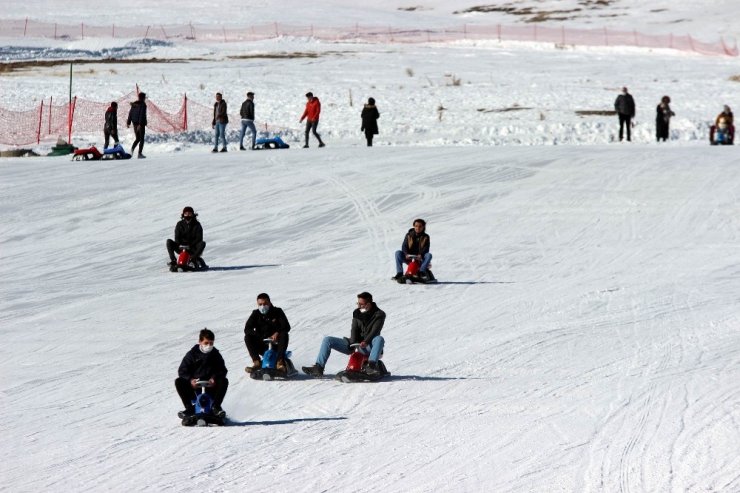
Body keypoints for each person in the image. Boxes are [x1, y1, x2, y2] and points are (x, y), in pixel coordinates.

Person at [303, 292, 385, 377]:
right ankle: (318, 367)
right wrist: (353, 343)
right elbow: (354, 329)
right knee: (328, 340)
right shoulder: (357, 312)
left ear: (368, 304)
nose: (359, 306)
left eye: (361, 304)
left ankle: (371, 366)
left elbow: (375, 331)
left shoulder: (379, 314)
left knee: (379, 338)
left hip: (370, 346)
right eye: (358, 303)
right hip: (356, 344)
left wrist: (366, 341)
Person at [175, 328, 228, 418]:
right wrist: (191, 380)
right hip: (195, 386)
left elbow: (223, 370)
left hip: (211, 386)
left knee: (224, 381)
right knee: (179, 381)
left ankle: (216, 407)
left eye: (211, 343)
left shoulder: (215, 354)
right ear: (200, 342)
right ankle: (189, 408)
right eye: (206, 343)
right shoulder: (192, 354)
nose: (209, 345)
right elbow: (182, 370)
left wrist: (214, 378)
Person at [243, 293, 292, 373]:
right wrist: (260, 336)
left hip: (276, 345)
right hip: (263, 345)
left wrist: (277, 333)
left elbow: (286, 326)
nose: (263, 306)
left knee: (284, 334)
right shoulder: (256, 314)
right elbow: (247, 329)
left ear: (269, 303)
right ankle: (257, 362)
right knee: (248, 337)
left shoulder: (278, 312)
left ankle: (280, 363)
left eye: (265, 304)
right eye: (260, 304)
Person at [166, 206, 207, 271]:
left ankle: (192, 260)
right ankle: (173, 261)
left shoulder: (197, 225)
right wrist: (180, 245)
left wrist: (190, 245)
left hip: (192, 248)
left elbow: (199, 238)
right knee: (169, 241)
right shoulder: (179, 224)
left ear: (193, 214)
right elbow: (177, 237)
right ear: (183, 215)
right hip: (180, 247)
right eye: (186, 214)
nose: (187, 215)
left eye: (189, 214)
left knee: (202, 243)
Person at [393, 218, 432, 283]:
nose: (418, 228)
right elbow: (404, 246)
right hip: (409, 257)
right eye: (416, 226)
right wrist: (406, 254)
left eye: (420, 226)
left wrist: (421, 255)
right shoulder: (409, 235)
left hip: (420, 259)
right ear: (414, 226)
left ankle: (421, 272)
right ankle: (399, 273)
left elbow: (426, 248)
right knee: (398, 253)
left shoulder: (426, 237)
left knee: (429, 255)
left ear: (423, 227)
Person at [126, 92, 147, 158]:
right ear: (143, 98)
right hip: (140, 124)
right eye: (144, 97)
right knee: (141, 139)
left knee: (137, 138)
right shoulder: (143, 105)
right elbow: (141, 114)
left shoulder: (134, 104)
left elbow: (130, 113)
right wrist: (140, 124)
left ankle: (131, 151)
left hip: (135, 124)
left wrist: (128, 122)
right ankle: (139, 154)